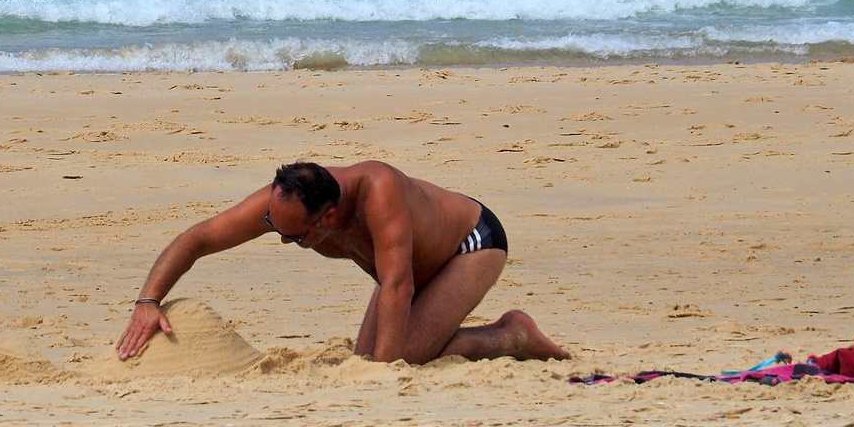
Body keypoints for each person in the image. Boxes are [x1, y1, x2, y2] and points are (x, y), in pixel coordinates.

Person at [116, 161, 568, 366]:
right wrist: (149, 299)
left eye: (293, 236)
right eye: (275, 224)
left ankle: (512, 334)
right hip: (405, 271)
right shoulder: (286, 202)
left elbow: (396, 286)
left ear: (328, 219)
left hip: (471, 245)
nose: (283, 238)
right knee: (366, 357)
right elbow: (199, 238)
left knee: (400, 360)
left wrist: (383, 377)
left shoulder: (380, 191)